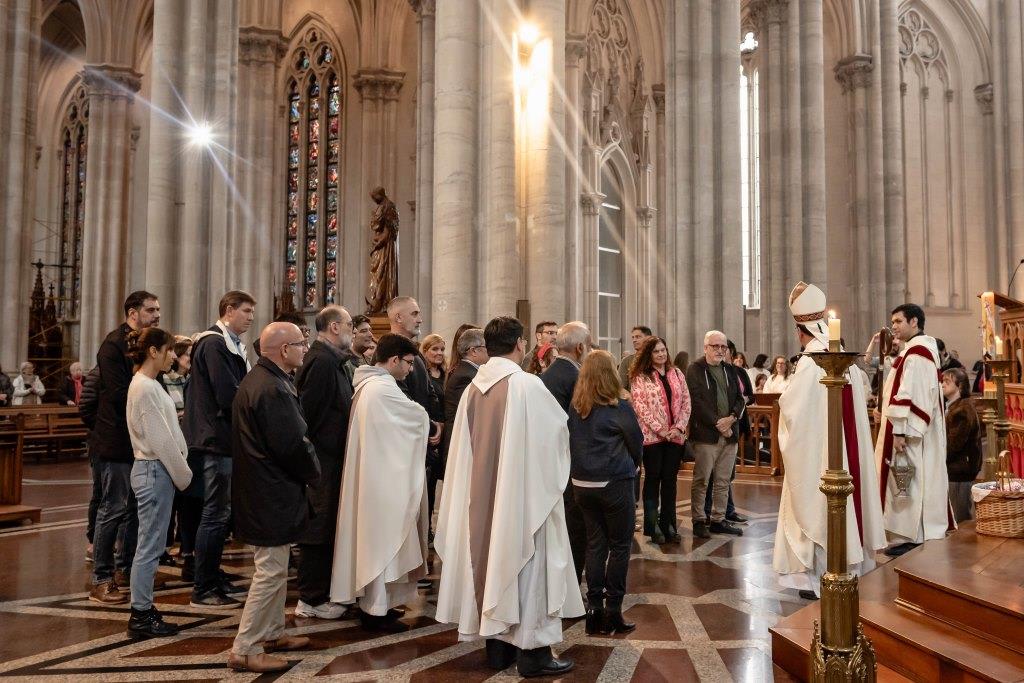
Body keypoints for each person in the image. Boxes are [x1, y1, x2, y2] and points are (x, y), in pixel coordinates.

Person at [435, 316, 583, 678]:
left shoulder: (474, 386)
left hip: (482, 500)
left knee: (488, 560)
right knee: (529, 565)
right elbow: (556, 438)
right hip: (522, 500)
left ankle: (498, 648)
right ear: (520, 343)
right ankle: (533, 653)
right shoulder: (525, 384)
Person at [773, 283, 886, 600]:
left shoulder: (812, 362)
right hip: (843, 454)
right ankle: (845, 567)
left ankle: (819, 575)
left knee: (818, 507)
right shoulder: (841, 358)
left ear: (800, 331)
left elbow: (793, 413)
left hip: (820, 457)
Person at [227, 322, 320, 673]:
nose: (304, 349)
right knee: (269, 570)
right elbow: (294, 444)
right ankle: (246, 647)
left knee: (277, 567)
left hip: (263, 489)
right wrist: (314, 473)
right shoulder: (271, 389)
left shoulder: (262, 380)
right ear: (283, 350)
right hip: (270, 491)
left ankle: (273, 632)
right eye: (300, 344)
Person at [331, 333, 430, 632]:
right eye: (409, 363)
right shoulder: (380, 390)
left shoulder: (369, 386)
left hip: (380, 478)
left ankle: (380, 606)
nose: (410, 370)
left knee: (379, 544)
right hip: (382, 485)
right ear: (394, 359)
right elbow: (415, 418)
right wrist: (428, 420)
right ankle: (374, 611)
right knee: (381, 544)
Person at [185, 290, 255, 608]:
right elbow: (227, 393)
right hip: (216, 439)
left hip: (224, 438)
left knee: (220, 513)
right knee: (214, 514)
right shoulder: (214, 343)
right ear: (228, 310)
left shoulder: (227, 343)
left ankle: (212, 575)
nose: (251, 317)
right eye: (246, 311)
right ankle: (204, 586)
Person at [89, 291, 160, 605]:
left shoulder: (144, 343)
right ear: (133, 312)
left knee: (135, 510)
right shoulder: (113, 344)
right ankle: (102, 578)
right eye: (150, 309)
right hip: (116, 440)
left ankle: (129, 569)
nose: (157, 314)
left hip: (137, 441)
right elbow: (119, 393)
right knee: (113, 508)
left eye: (158, 309)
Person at [124, 327, 193, 639]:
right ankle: (140, 614)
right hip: (155, 469)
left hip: (155, 469)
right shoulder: (145, 387)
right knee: (150, 547)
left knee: (151, 544)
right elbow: (161, 439)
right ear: (153, 351)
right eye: (168, 350)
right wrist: (185, 476)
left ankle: (143, 607)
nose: (172, 357)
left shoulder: (147, 384)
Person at [568, 350, 642, 636]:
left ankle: (594, 610)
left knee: (595, 546)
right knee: (620, 546)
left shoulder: (576, 406)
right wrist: (634, 465)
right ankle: (613, 612)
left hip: (582, 484)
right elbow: (636, 441)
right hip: (614, 482)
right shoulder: (618, 406)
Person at [294, 306, 355, 620]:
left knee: (328, 525)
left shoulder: (333, 360)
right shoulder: (320, 361)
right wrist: (315, 460)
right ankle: (310, 598)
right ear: (333, 327)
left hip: (331, 461)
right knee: (318, 528)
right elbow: (309, 416)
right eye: (348, 324)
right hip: (321, 463)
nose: (352, 329)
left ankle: (323, 592)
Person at [875, 303, 949, 557]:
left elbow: (912, 394)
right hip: (909, 430)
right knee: (910, 482)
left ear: (914, 322)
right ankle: (913, 535)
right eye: (892, 321)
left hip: (911, 434)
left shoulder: (917, 353)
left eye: (898, 321)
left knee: (911, 482)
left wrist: (899, 431)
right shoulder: (916, 351)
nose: (893, 326)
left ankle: (915, 535)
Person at [540, 321, 593, 582]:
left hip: (548, 461)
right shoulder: (576, 377)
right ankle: (571, 584)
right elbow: (582, 422)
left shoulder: (546, 375)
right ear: (581, 347)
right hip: (570, 462)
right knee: (575, 526)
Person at [686, 330, 747, 539]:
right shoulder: (695, 369)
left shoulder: (730, 369)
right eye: (715, 346)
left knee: (723, 480)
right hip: (706, 435)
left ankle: (719, 519)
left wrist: (731, 418)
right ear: (706, 348)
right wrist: (718, 423)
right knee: (702, 479)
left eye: (723, 347)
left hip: (730, 433)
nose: (720, 350)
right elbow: (696, 401)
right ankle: (699, 520)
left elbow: (741, 399)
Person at [630, 336, 691, 543]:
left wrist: (678, 427)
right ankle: (652, 527)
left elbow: (686, 402)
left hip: (675, 437)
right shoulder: (640, 377)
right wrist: (661, 430)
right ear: (649, 354)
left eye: (663, 350)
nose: (661, 354)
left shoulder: (677, 373)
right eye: (656, 351)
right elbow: (640, 407)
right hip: (652, 438)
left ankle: (669, 525)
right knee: (653, 479)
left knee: (670, 481)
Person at [439, 328, 487, 481]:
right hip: (460, 444)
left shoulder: (470, 372)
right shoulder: (466, 376)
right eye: (487, 347)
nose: (490, 352)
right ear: (473, 351)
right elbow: (471, 414)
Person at [942, 367, 982, 522]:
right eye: (942, 381)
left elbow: (954, 445)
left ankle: (963, 545)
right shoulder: (954, 406)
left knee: (960, 517)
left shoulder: (962, 410)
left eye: (947, 381)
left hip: (960, 470)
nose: (942, 385)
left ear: (960, 386)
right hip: (956, 469)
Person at [345, 314, 374, 383]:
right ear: (352, 334)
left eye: (370, 330)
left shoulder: (370, 361)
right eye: (364, 331)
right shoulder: (345, 362)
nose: (370, 335)